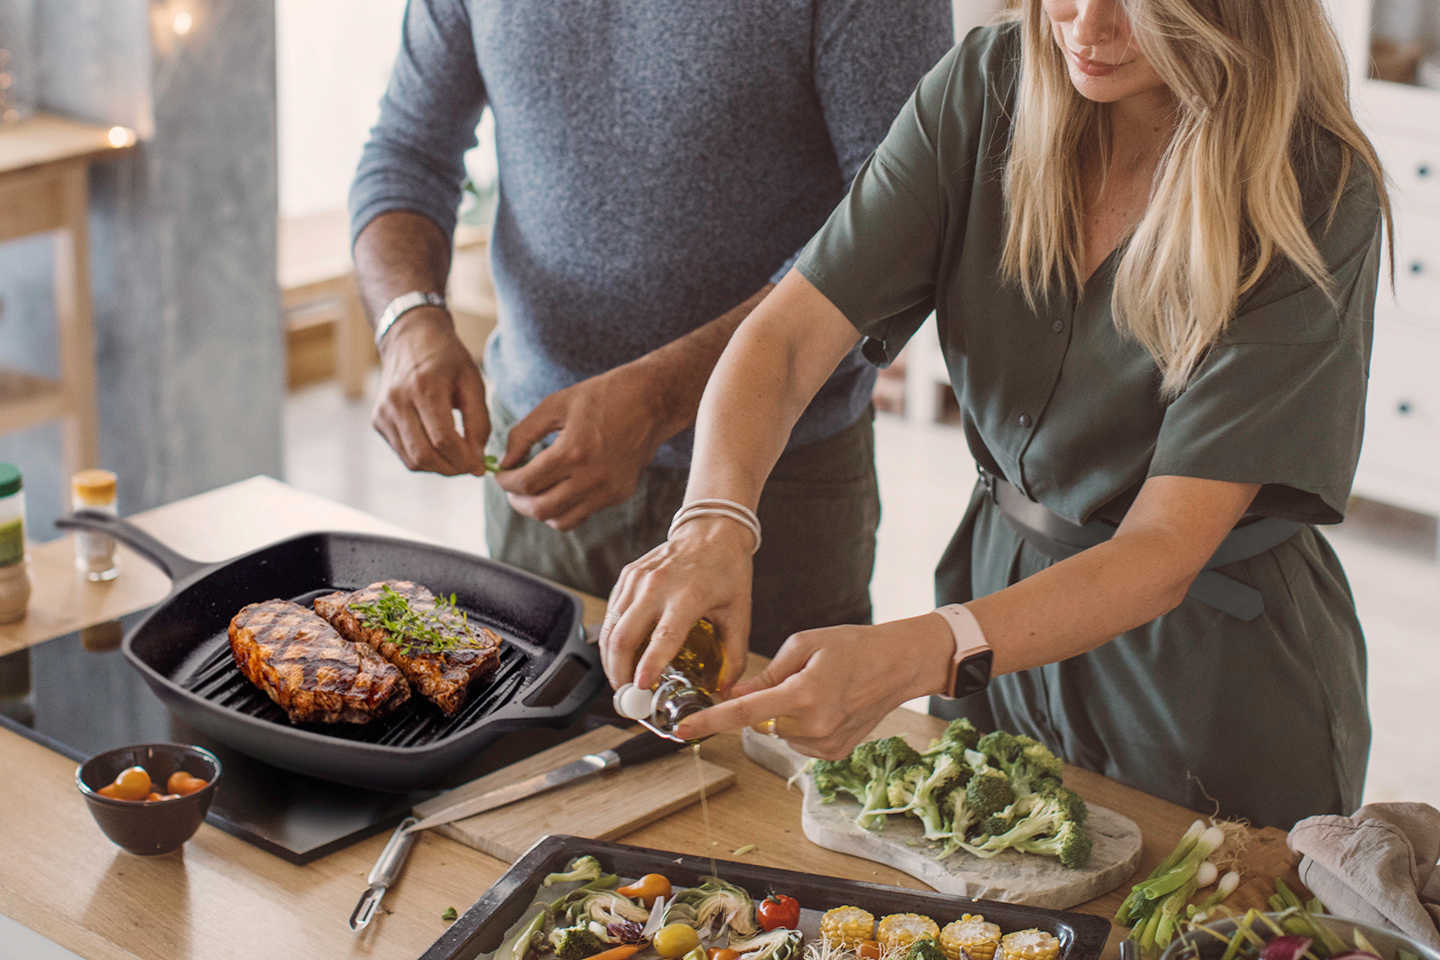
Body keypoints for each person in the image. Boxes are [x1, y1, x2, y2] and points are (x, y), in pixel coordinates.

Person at [598, 0, 1390, 828]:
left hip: (1209, 673)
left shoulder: (1315, 189)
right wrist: (712, 524)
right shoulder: (989, 85)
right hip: (992, 607)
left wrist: (920, 653)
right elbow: (792, 338)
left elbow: (1163, 549)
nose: (1086, 28)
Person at [348, 0, 953, 655]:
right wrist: (407, 322)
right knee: (533, 748)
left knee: (766, 755)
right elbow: (407, 150)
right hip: (540, 475)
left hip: (774, 489)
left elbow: (905, 224)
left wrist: (661, 396)